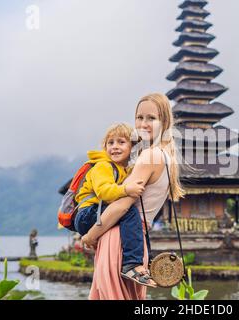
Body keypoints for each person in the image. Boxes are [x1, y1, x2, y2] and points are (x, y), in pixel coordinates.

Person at [81, 93, 184, 299]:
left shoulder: (149, 155)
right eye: (139, 117)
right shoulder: (167, 158)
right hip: (136, 245)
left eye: (151, 118)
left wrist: (90, 237)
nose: (143, 123)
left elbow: (120, 206)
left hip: (118, 240)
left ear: (164, 122)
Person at [74, 123, 154, 286]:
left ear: (132, 147)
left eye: (121, 142)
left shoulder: (125, 170)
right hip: (87, 214)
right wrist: (126, 189)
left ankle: (136, 260)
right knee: (129, 212)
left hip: (96, 213)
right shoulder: (103, 166)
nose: (115, 147)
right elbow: (103, 191)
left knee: (129, 218)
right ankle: (131, 263)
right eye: (110, 143)